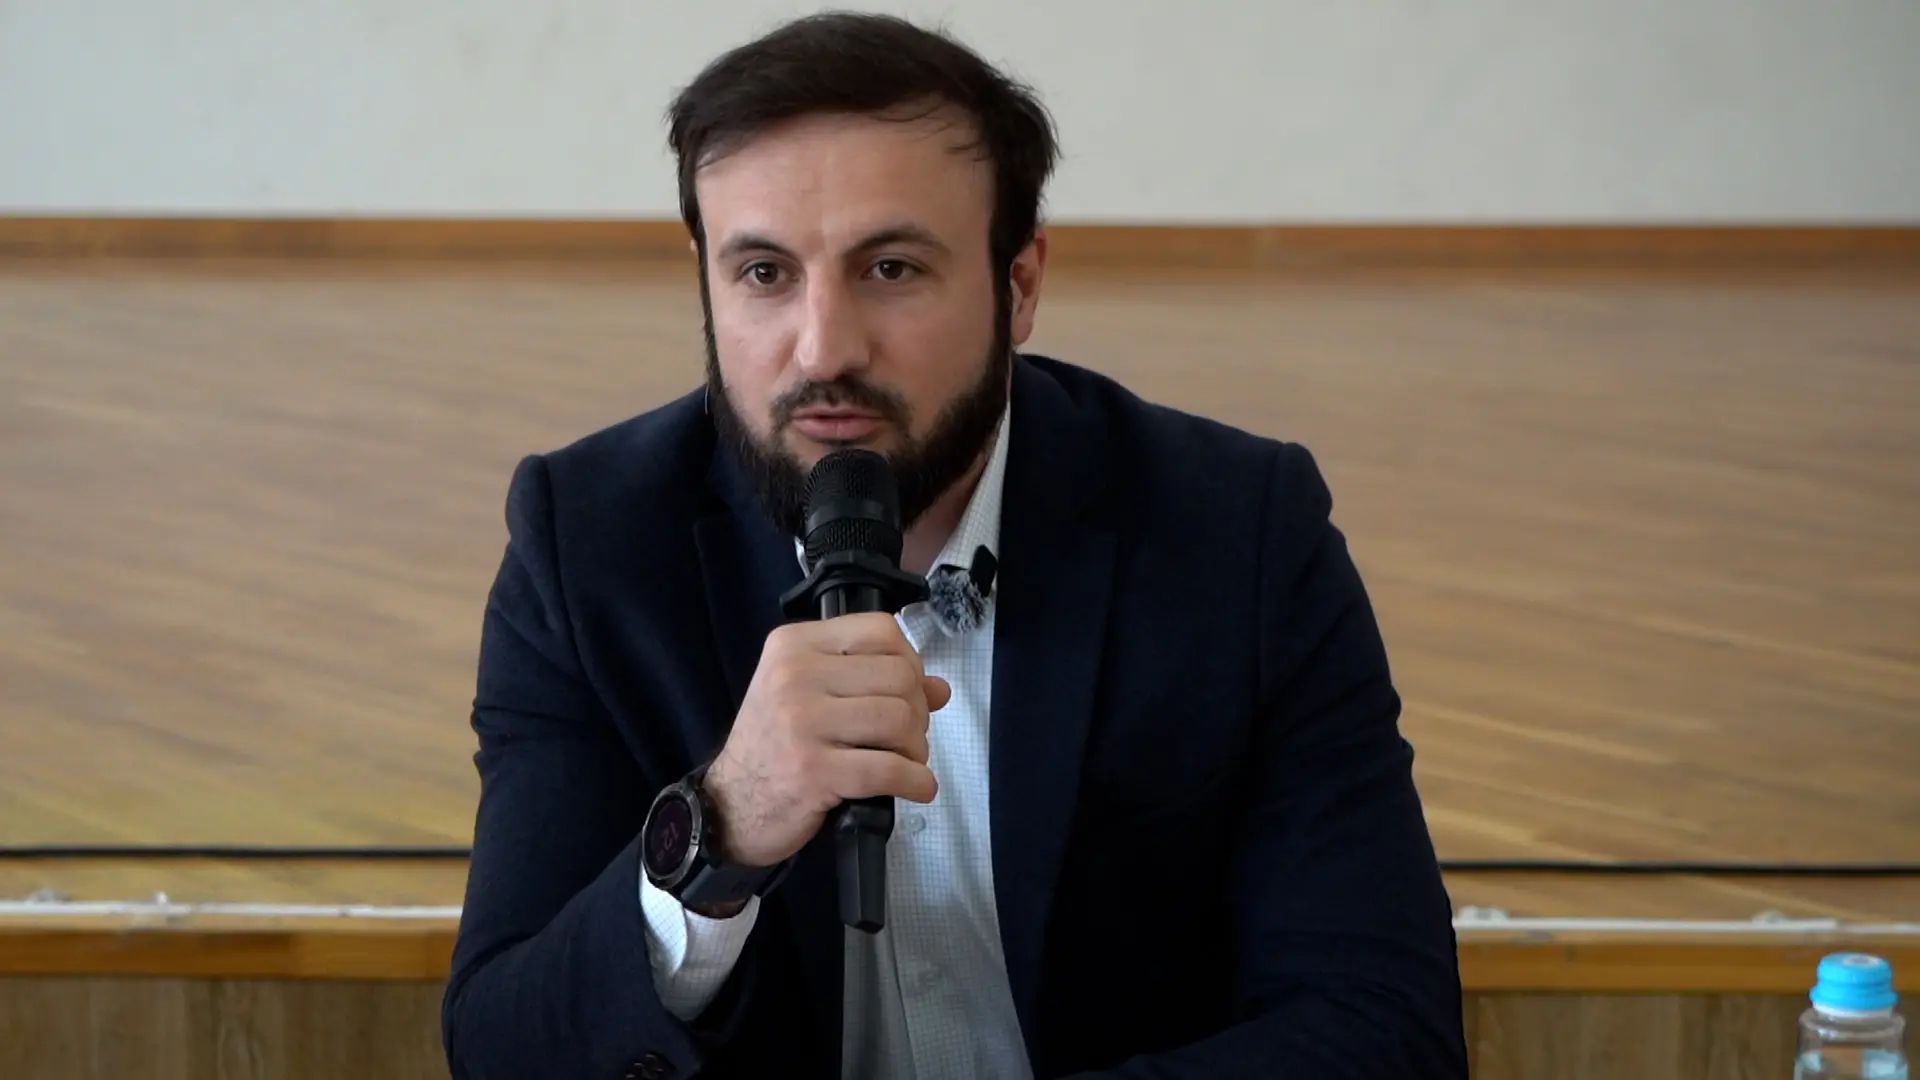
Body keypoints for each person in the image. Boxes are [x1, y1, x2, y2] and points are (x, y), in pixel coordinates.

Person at [441, 12, 1466, 1080]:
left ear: (1019, 285)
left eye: (890, 268)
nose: (824, 349)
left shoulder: (1236, 533)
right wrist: (721, 830)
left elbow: (1386, 1032)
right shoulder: (588, 547)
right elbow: (504, 1049)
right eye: (765, 274)